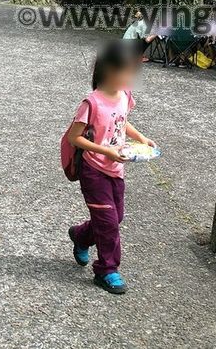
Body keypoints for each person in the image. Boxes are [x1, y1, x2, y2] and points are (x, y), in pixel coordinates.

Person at [66, 40, 158, 295]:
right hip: (94, 171)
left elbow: (122, 121)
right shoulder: (91, 103)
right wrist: (106, 150)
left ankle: (81, 236)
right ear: (107, 69)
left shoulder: (125, 95)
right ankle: (107, 270)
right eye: (125, 72)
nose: (130, 78)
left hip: (116, 169)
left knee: (114, 218)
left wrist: (140, 138)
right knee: (108, 222)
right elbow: (75, 138)